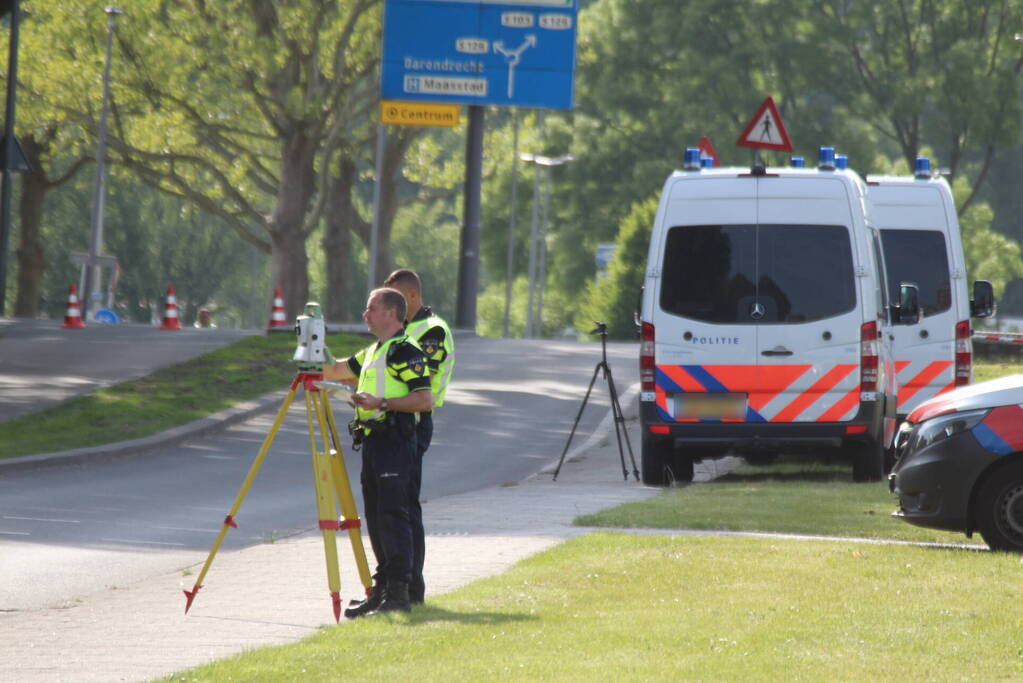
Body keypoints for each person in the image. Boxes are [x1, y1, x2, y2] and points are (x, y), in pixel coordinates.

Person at [323, 287, 432, 616]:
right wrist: (313, 352)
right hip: (372, 440)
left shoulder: (404, 350)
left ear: (391, 314)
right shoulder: (374, 351)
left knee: (393, 515)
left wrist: (381, 403)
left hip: (395, 439)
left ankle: (400, 594)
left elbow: (424, 399)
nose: (365, 314)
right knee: (375, 516)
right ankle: (383, 589)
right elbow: (339, 369)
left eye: (371, 309)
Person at [382, 269, 455, 605]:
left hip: (414, 419)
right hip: (390, 419)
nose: (392, 306)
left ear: (411, 296)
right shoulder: (401, 330)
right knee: (390, 506)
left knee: (404, 507)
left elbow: (415, 374)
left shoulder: (432, 330)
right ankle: (392, 581)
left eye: (396, 298)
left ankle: (412, 587)